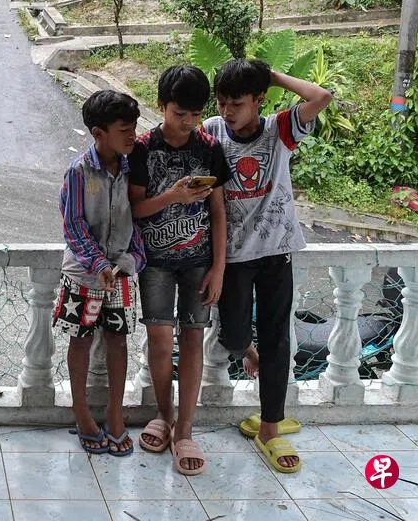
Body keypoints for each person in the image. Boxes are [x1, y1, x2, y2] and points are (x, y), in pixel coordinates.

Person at [203, 59, 332, 475]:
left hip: (277, 250)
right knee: (232, 335)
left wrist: (271, 75)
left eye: (237, 103)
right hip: (233, 256)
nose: (228, 111)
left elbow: (321, 97)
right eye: (222, 102)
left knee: (278, 338)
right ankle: (249, 353)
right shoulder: (212, 130)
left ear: (259, 99)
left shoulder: (279, 130)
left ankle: (270, 428)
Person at [128, 66, 229, 476]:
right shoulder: (141, 149)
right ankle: (163, 415)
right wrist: (172, 196)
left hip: (198, 262)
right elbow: (135, 209)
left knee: (193, 340)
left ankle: (185, 429)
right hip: (154, 261)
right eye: (179, 113)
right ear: (161, 106)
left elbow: (219, 212)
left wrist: (218, 267)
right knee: (158, 341)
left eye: (195, 114)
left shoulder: (209, 148)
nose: (187, 122)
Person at [52, 90, 146, 458]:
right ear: (98, 133)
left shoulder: (132, 167)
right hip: (83, 275)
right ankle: (82, 414)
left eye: (134, 127)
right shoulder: (79, 172)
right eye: (124, 130)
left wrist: (132, 258)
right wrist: (97, 263)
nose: (133, 135)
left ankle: (115, 414)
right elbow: (73, 225)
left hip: (120, 273)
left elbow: (137, 215)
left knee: (118, 341)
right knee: (80, 339)